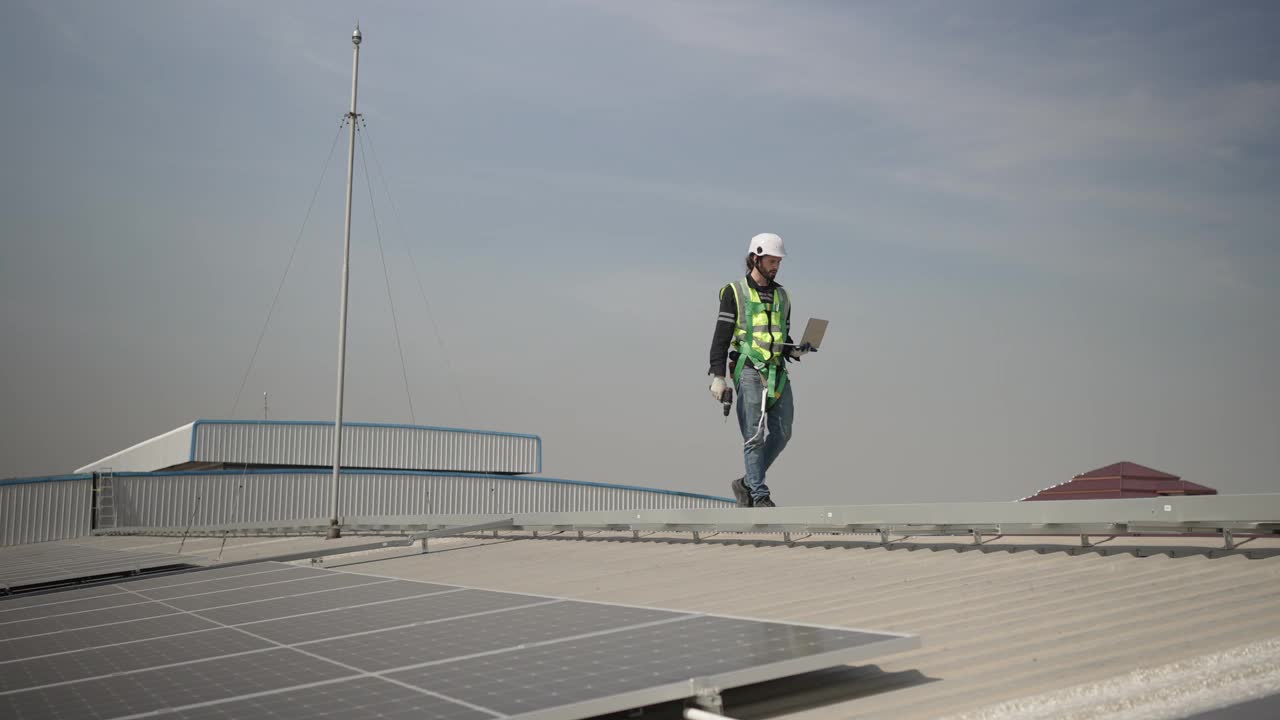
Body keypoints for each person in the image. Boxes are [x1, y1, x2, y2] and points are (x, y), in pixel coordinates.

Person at [707, 233, 813, 508]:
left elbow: (781, 336)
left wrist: (796, 350)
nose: (776, 265)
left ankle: (745, 482)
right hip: (749, 368)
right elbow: (721, 336)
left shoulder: (782, 295)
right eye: (771, 260)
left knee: (783, 432)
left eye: (778, 260)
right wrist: (718, 376)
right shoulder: (734, 292)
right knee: (754, 434)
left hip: (777, 370)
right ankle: (759, 493)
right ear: (755, 257)